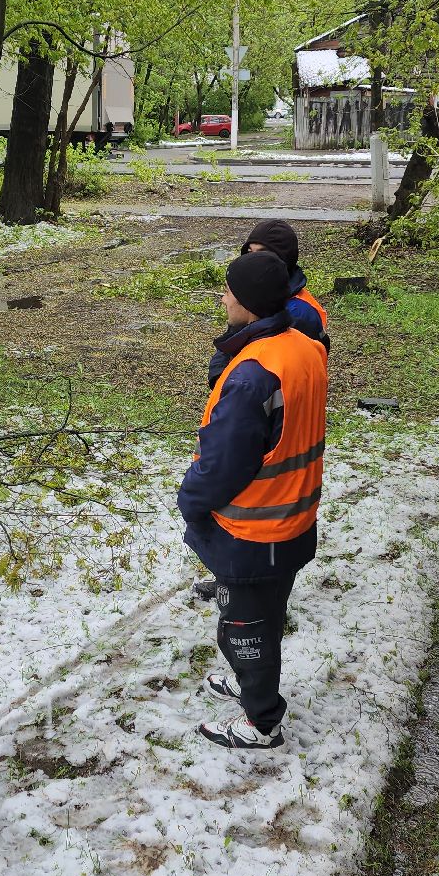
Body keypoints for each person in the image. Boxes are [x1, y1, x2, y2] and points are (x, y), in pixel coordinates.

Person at [178, 252, 328, 749]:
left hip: (254, 531)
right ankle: (249, 683)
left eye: (227, 291)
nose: (222, 298)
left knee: (246, 631)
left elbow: (222, 465)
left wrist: (190, 500)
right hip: (294, 518)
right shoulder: (304, 347)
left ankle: (261, 719)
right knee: (264, 613)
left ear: (246, 304)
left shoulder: (251, 376)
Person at [193, 220, 331, 603]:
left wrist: (191, 500)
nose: (254, 262)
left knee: (254, 622)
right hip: (276, 496)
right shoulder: (272, 312)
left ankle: (254, 596)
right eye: (249, 253)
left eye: (263, 256)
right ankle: (248, 588)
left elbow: (231, 455)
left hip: (264, 509)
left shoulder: (295, 317)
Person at [241, 218, 330, 351]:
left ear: (283, 260)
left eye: (262, 253)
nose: (253, 260)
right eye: (249, 252)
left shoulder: (296, 313)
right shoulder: (256, 293)